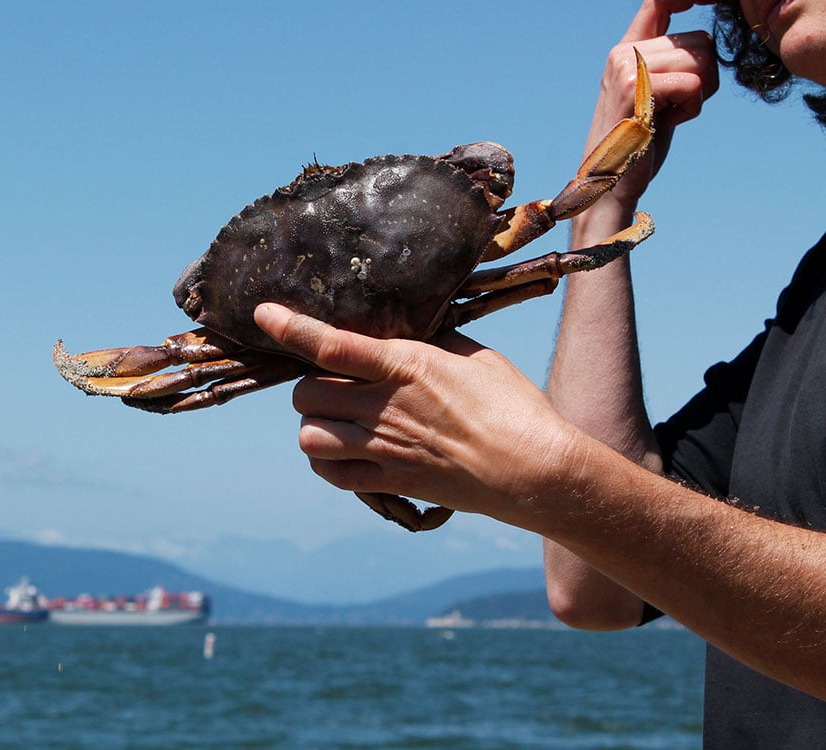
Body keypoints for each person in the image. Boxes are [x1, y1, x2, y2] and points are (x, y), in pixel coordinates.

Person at [252, 0, 826, 745]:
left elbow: (592, 510)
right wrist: (600, 200)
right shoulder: (813, 293)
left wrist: (549, 478)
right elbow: (594, 587)